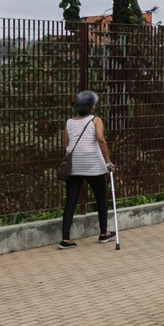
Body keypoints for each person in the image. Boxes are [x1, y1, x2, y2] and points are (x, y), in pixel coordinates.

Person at [58, 90, 114, 249]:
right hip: (93, 164)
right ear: (91, 107)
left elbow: (66, 144)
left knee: (71, 200)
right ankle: (103, 233)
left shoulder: (69, 122)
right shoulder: (95, 120)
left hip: (74, 164)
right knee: (101, 197)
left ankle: (65, 239)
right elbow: (100, 139)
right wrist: (108, 161)